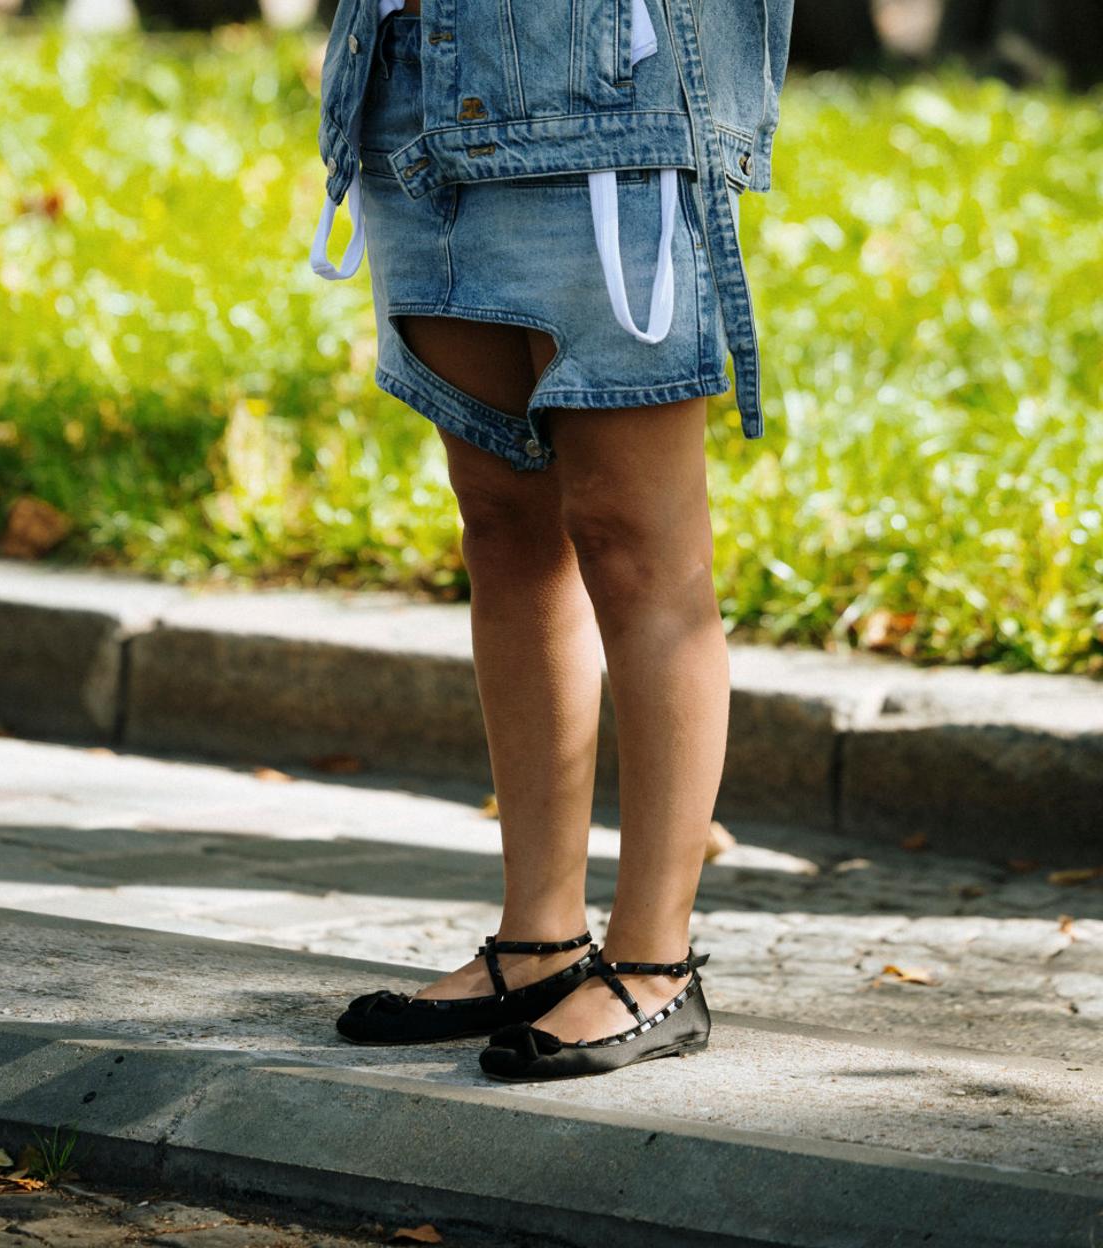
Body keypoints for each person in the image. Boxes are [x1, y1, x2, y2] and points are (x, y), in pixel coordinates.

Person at [310, 0, 794, 1081]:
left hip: (604, 94)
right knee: (502, 518)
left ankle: (656, 961)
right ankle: (538, 940)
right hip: (409, 82)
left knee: (633, 539)